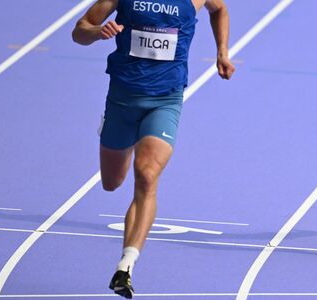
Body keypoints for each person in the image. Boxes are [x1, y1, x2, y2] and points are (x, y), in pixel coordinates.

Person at [72, 0, 234, 298]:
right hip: (122, 100)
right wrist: (97, 31)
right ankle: (118, 130)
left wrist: (222, 51)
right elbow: (79, 31)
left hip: (165, 100)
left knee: (146, 175)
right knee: (111, 183)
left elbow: (219, 9)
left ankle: (126, 265)